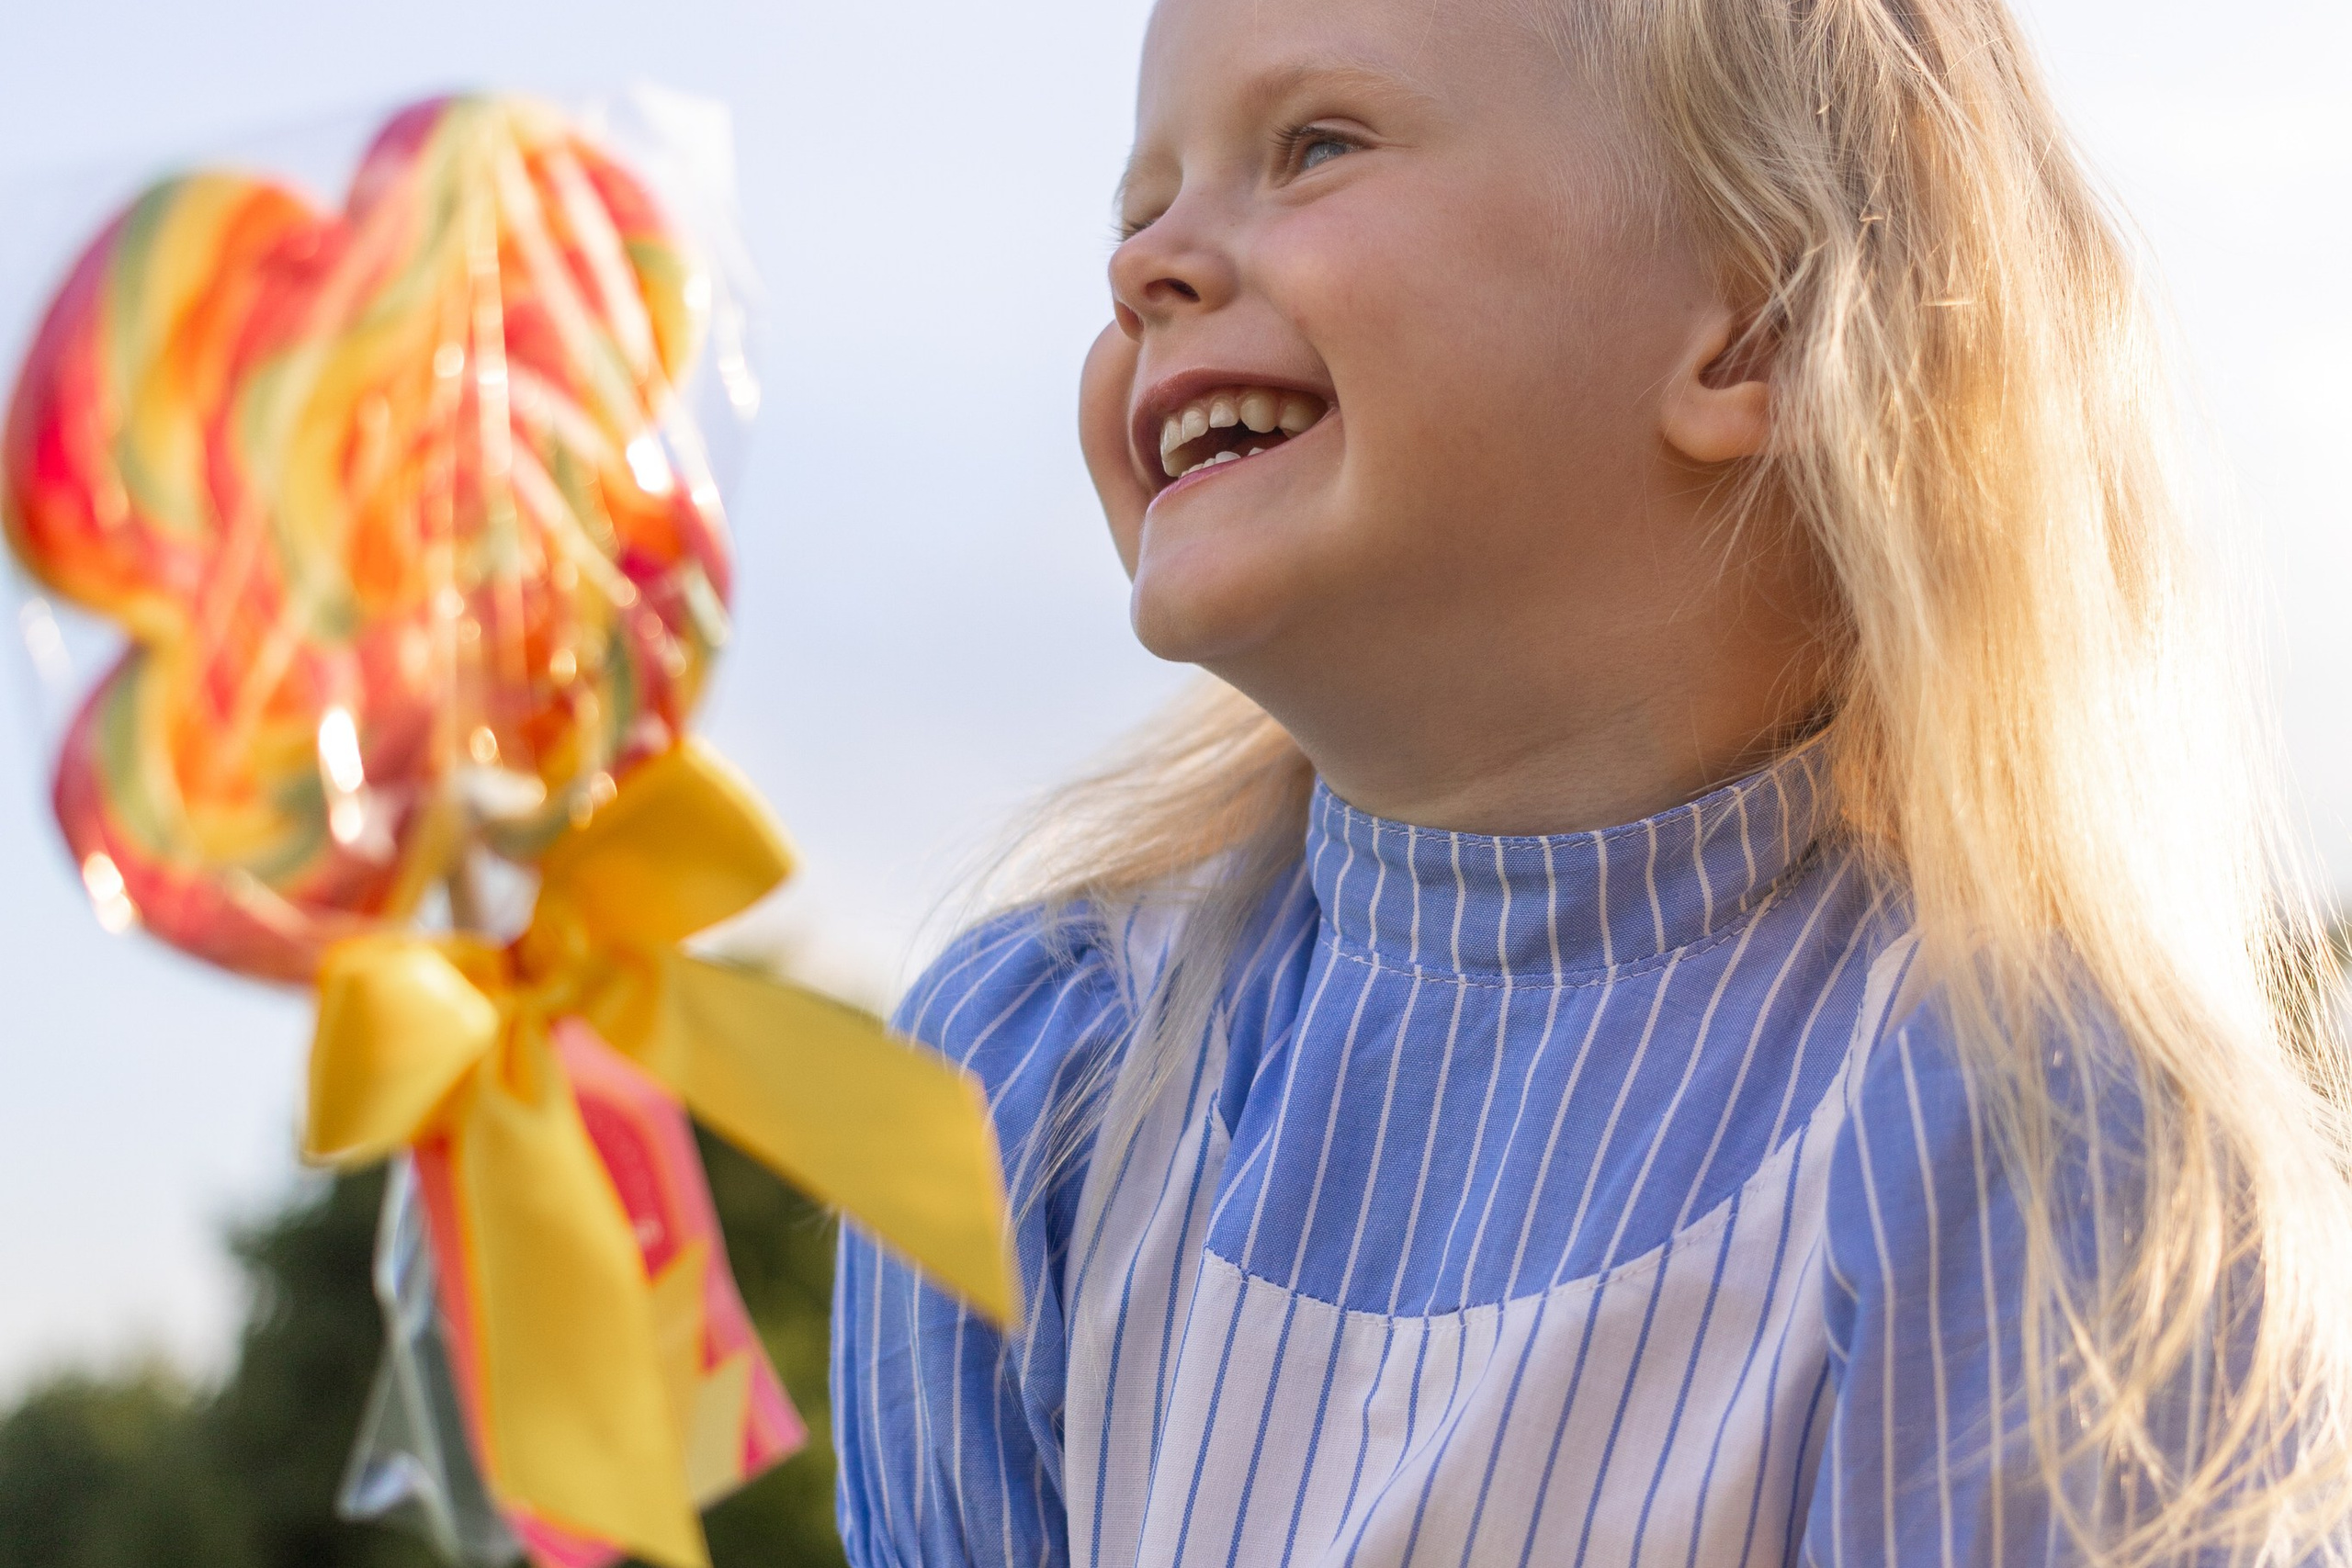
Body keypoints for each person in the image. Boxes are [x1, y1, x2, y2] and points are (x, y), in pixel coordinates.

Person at [829, 0, 2352, 1562]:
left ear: (1754, 328)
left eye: (1314, 148)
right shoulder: (1033, 1076)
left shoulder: (2029, 1136)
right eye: (1143, 207)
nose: (1140, 266)